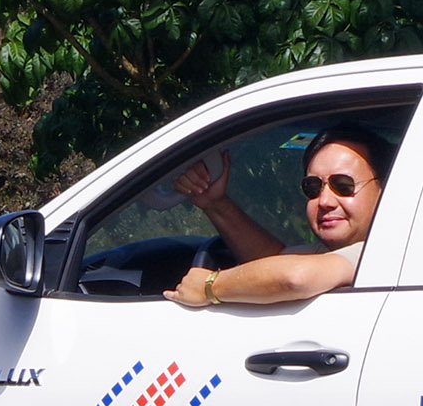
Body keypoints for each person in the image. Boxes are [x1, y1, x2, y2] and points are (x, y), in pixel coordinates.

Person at [167, 123, 394, 308]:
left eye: (343, 185)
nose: (324, 201)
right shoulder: (332, 253)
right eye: (313, 187)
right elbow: (272, 259)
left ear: (387, 189)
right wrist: (214, 203)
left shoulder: (381, 251)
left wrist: (210, 286)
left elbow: (295, 278)